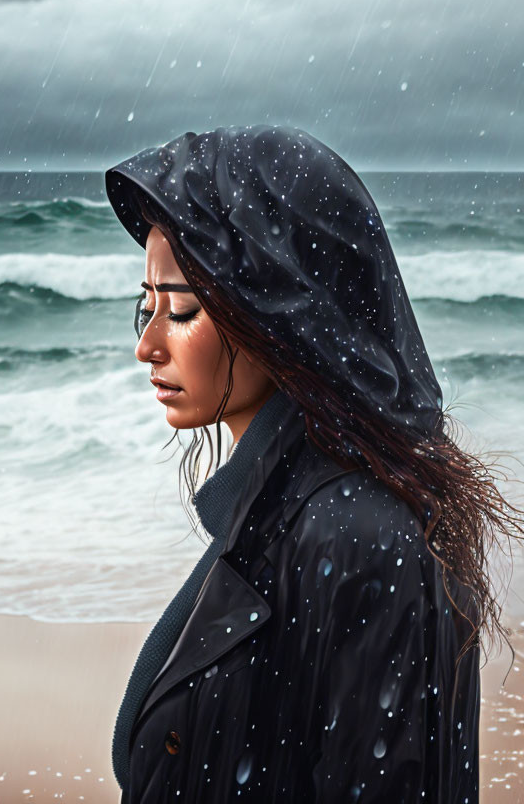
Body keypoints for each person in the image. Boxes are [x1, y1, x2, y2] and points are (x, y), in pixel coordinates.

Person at [104, 124, 521, 803]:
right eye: (144, 306)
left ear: (279, 311)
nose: (147, 345)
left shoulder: (361, 537)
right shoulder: (278, 509)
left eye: (180, 309)